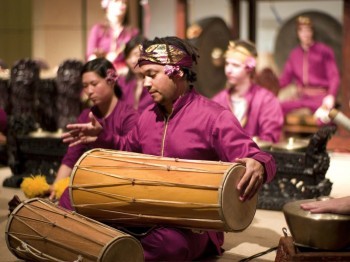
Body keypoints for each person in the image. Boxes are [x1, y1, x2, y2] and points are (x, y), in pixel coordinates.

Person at [61, 36, 277, 261]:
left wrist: (259, 164)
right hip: (145, 208)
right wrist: (102, 136)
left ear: (178, 72)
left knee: (169, 245)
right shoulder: (147, 117)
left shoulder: (214, 117)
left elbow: (259, 156)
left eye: (152, 75)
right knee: (71, 197)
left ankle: (111, 248)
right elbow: (127, 148)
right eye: (144, 77)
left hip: (191, 222)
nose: (145, 84)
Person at [50, 58, 139, 200]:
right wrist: (55, 188)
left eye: (94, 84)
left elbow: (131, 155)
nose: (89, 91)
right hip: (91, 180)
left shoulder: (129, 116)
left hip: (122, 186)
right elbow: (71, 157)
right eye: (85, 86)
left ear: (111, 80)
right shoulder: (87, 115)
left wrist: (103, 137)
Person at [212, 40, 284, 143]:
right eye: (227, 64)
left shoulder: (266, 100)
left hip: (253, 157)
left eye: (235, 65)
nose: (228, 70)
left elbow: (269, 139)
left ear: (249, 68)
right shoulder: (218, 100)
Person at [278, 16, 340, 118]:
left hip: (320, 98)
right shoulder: (294, 54)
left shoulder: (324, 51)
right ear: (298, 33)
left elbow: (334, 76)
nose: (305, 34)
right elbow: (285, 79)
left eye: (308, 30)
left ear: (312, 32)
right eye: (302, 31)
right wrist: (270, 89)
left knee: (324, 117)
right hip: (301, 98)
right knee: (276, 108)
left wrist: (331, 96)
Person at [86, 0, 139, 73]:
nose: (121, 4)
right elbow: (90, 56)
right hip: (102, 74)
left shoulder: (133, 32)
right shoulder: (97, 29)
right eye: (116, 1)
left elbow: (137, 58)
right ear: (107, 5)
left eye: (124, 2)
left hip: (126, 76)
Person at [118, 34, 153, 113]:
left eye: (137, 54)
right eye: (129, 57)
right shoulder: (121, 82)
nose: (133, 61)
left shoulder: (155, 82)